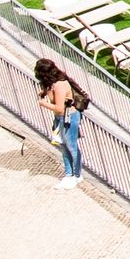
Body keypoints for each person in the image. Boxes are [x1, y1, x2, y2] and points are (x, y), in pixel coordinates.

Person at [34, 58, 88, 189]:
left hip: (69, 117)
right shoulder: (50, 85)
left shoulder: (60, 85)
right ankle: (68, 174)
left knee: (71, 146)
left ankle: (77, 174)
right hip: (60, 118)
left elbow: (59, 108)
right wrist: (44, 92)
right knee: (64, 147)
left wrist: (43, 104)